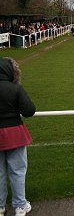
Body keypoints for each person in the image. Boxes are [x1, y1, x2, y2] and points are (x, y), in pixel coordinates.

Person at [0, 57, 36, 216]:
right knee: (18, 171)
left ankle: (0, 207)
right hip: (14, 133)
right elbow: (29, 110)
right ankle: (20, 206)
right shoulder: (15, 88)